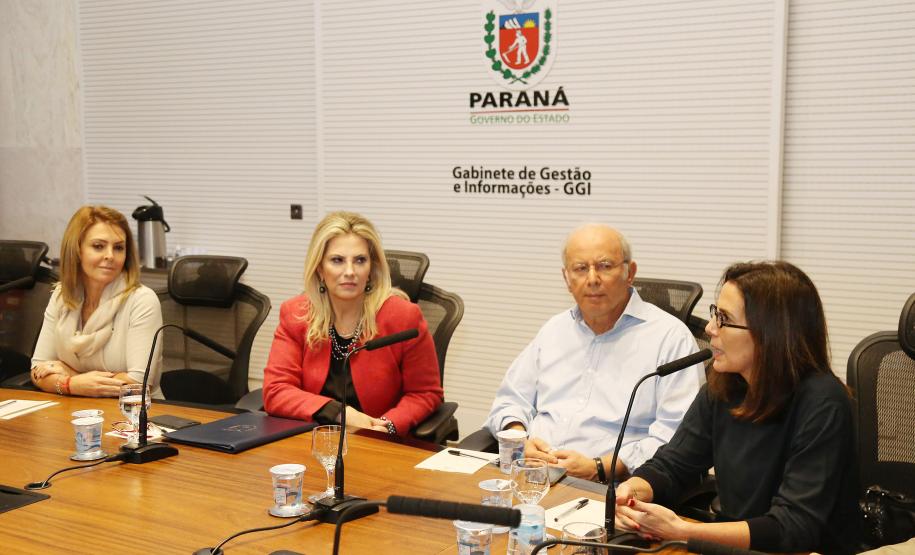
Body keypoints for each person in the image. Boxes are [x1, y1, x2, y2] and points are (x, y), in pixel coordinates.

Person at [615, 261, 859, 554]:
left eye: (724, 319)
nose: (709, 328)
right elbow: (673, 465)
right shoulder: (724, 386)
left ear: (771, 333)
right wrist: (634, 490)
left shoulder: (824, 403)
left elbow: (793, 527)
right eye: (714, 313)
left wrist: (684, 531)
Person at [484, 224, 704, 482]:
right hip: (532, 474)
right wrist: (520, 438)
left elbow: (676, 438)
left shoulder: (670, 339)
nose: (592, 279)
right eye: (580, 269)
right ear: (567, 279)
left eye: (604, 266)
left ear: (629, 272)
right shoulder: (554, 329)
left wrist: (601, 467)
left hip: (614, 488)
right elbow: (510, 401)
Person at [262, 211, 443, 435]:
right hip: (313, 440)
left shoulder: (403, 316)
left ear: (371, 268)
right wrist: (341, 413)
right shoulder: (296, 314)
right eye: (337, 260)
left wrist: (387, 425)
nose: (350, 271)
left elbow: (425, 393)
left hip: (377, 442)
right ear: (320, 268)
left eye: (360, 260)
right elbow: (276, 391)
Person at [30, 206, 163, 398]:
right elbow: (38, 369)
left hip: (134, 416)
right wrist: (71, 384)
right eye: (98, 246)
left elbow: (137, 384)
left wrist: (73, 377)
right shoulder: (62, 295)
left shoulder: (141, 300)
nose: (110, 255)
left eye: (118, 247)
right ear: (77, 250)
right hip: (75, 410)